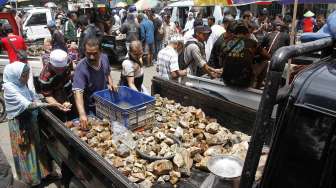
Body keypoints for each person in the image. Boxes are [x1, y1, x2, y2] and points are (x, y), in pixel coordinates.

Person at [3, 62, 61, 187]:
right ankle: (31, 181)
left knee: (38, 148)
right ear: (16, 75)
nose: (26, 78)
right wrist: (51, 104)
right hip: (20, 125)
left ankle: (44, 175)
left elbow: (33, 97)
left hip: (30, 121)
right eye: (24, 76)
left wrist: (48, 99)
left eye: (27, 75)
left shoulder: (21, 85)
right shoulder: (10, 88)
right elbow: (29, 104)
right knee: (27, 152)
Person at [73, 37, 118, 129]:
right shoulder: (81, 68)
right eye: (88, 54)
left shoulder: (104, 58)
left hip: (105, 103)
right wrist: (82, 114)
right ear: (84, 51)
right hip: (90, 107)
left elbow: (107, 73)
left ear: (100, 51)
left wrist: (110, 83)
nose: (91, 57)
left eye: (95, 54)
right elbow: (78, 92)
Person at [221, 22, 269, 88]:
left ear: (235, 33)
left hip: (226, 81)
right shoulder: (252, 43)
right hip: (244, 83)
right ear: (247, 33)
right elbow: (267, 56)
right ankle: (258, 86)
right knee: (265, 62)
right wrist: (255, 57)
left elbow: (221, 58)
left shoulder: (226, 42)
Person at [39, 49, 74, 121]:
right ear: (51, 64)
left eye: (62, 68)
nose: (60, 71)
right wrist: (57, 105)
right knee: (59, 115)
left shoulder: (68, 61)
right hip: (54, 92)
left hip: (67, 86)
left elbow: (73, 68)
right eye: (57, 69)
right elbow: (48, 96)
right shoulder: (45, 77)